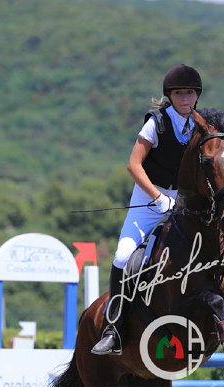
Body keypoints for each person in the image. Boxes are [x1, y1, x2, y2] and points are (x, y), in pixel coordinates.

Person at [91, 64, 203, 355]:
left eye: (190, 93)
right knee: (123, 256)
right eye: (179, 93)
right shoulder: (157, 123)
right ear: (170, 96)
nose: (185, 98)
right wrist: (157, 197)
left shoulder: (201, 125)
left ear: (197, 95)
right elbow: (133, 164)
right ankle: (114, 329)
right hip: (149, 198)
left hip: (184, 202)